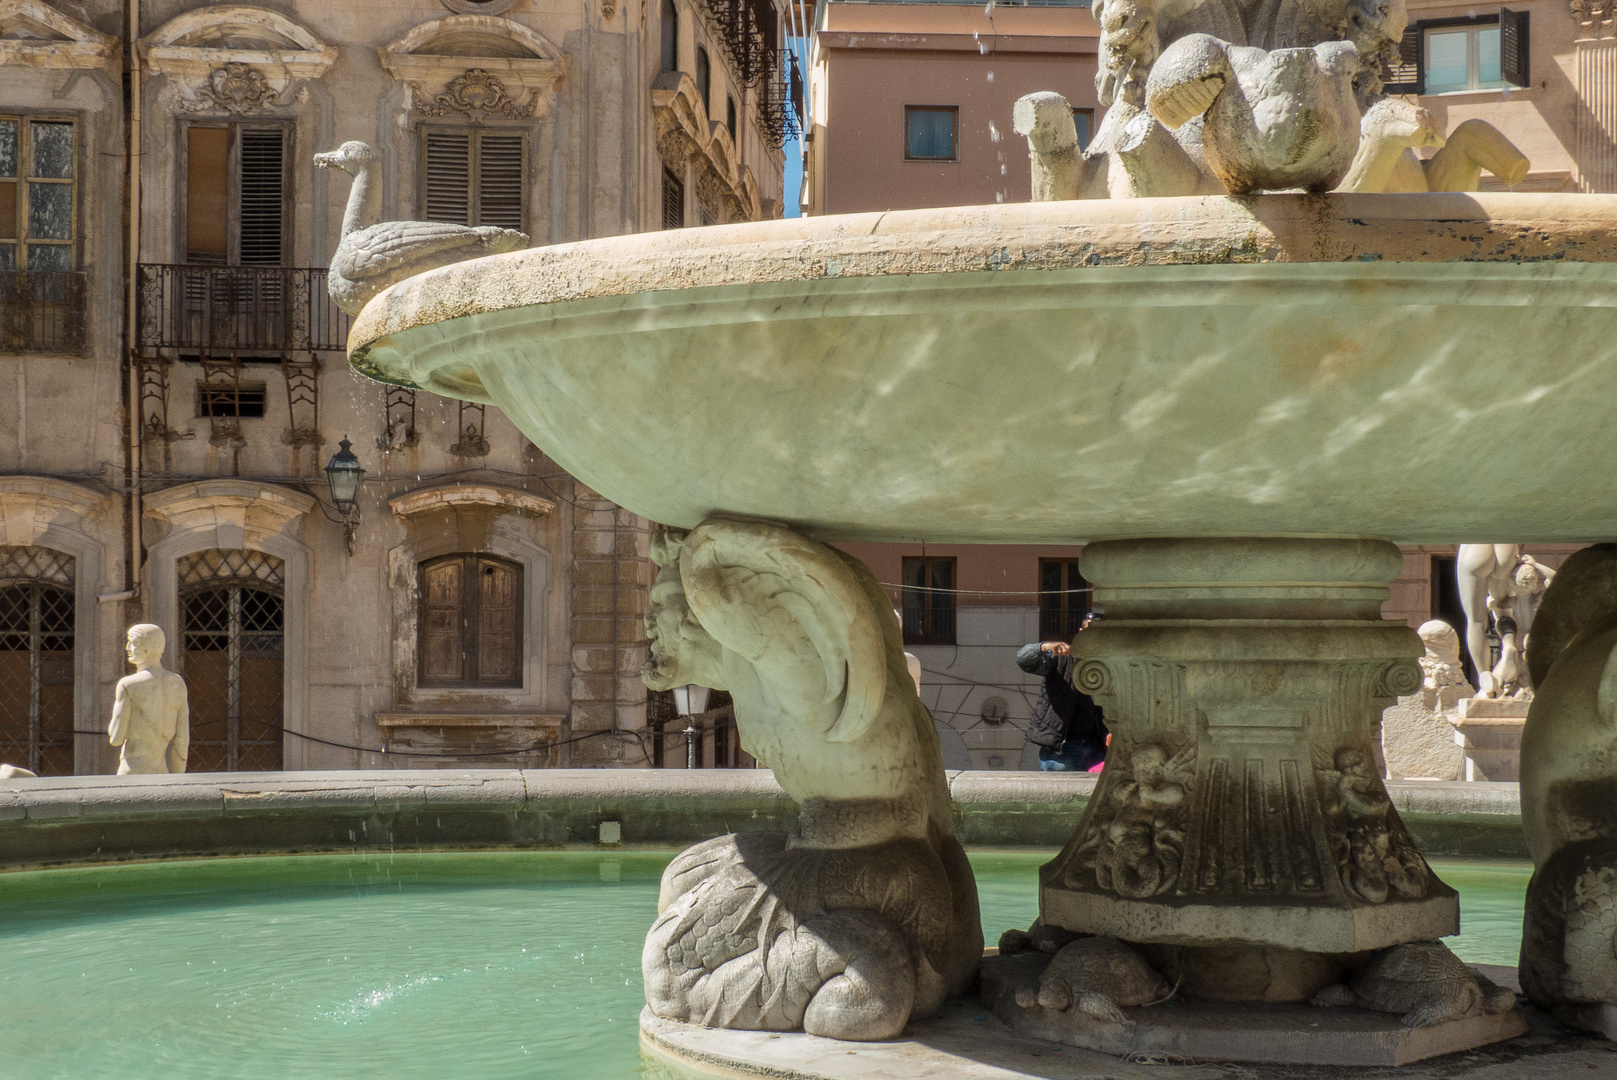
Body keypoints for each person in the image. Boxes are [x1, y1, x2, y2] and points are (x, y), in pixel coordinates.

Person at [1018, 614, 1109, 771]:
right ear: (1081, 632)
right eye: (1090, 632)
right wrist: (1043, 647)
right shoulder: (1062, 659)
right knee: (1064, 793)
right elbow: (1023, 659)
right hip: (1061, 751)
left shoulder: (1108, 665)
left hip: (1096, 749)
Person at [109, 624, 190, 775]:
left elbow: (115, 738)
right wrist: (179, 780)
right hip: (161, 772)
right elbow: (182, 741)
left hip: (132, 771)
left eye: (132, 642)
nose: (127, 647)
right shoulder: (178, 683)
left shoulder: (128, 685)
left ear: (146, 648)